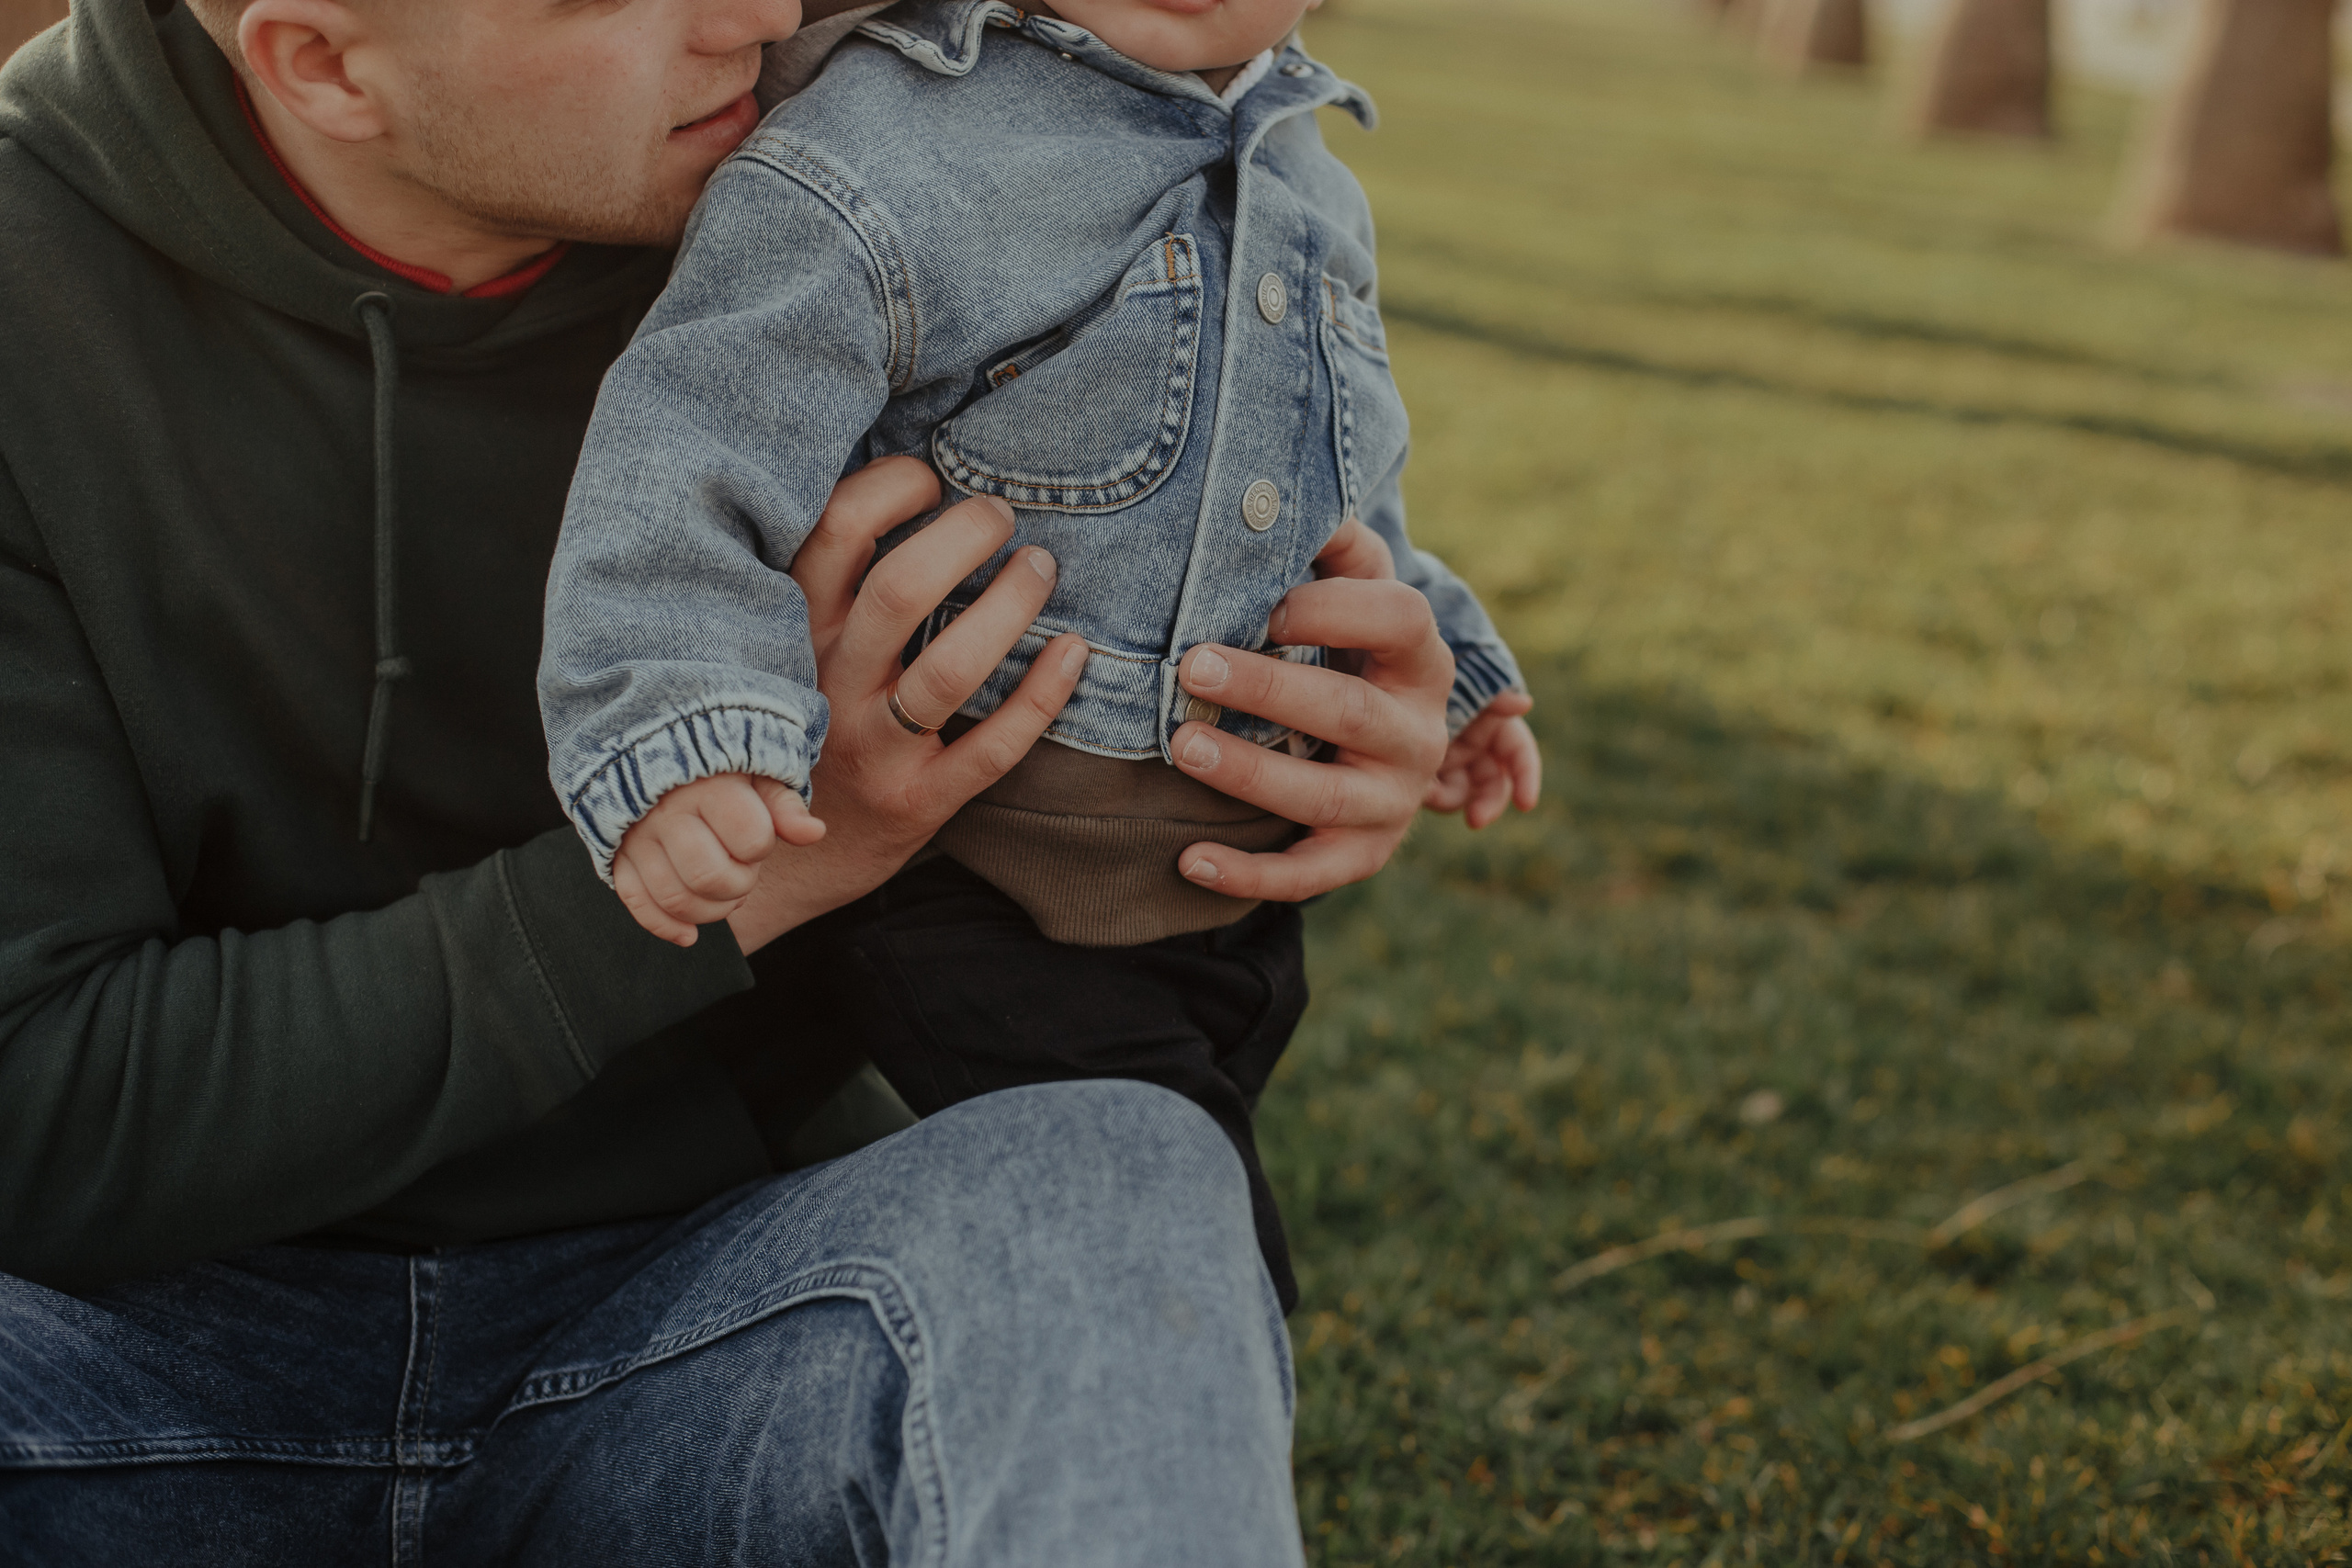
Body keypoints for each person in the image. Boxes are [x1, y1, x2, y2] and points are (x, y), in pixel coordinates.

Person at [0, 0, 1502, 1559]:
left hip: (715, 1328)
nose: (762, 10)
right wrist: (786, 855)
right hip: (124, 1370)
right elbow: (36, 1112)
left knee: (1119, 1179)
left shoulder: (897, 154)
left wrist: (1325, 708)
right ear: (323, 63)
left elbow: (1231, 453)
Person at [537, 0, 1543, 1310]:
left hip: (1219, 906)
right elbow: (688, 459)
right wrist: (686, 731)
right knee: (1187, 1276)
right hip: (981, 888)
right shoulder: (889, 146)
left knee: (1144, 1240)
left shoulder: (1308, 176)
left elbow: (1347, 495)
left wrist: (1453, 665)